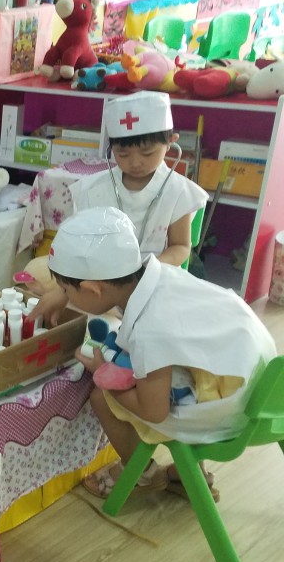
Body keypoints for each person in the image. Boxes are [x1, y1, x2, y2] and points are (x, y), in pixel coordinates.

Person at [49, 207, 277, 500]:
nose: (67, 298)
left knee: (101, 398)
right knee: (171, 368)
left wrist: (103, 374)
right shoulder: (163, 277)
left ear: (93, 290)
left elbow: (153, 412)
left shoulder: (150, 328)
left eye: (67, 291)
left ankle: (141, 473)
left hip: (235, 408)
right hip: (265, 386)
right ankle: (189, 474)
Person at [34, 91, 208, 323]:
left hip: (153, 286)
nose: (135, 162)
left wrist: (144, 275)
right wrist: (64, 290)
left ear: (170, 143)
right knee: (38, 279)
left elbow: (180, 246)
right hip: (98, 288)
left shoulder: (178, 191)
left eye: (147, 152)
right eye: (123, 154)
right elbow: (76, 250)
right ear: (111, 148)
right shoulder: (93, 189)